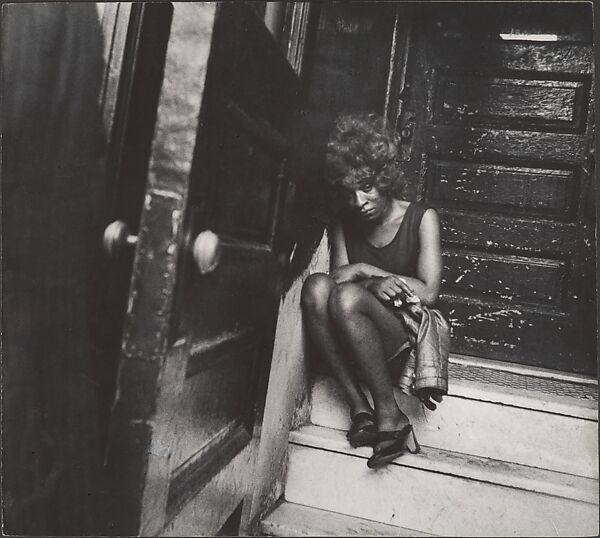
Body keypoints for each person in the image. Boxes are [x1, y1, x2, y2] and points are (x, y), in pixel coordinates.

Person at [301, 113, 444, 469]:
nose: (359, 200)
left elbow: (427, 293)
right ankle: (360, 408)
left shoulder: (422, 217)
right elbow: (335, 278)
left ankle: (390, 413)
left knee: (347, 296)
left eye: (366, 186)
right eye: (349, 191)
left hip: (401, 335)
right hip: (352, 326)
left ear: (384, 179)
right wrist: (367, 276)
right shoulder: (345, 221)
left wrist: (369, 273)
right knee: (315, 286)